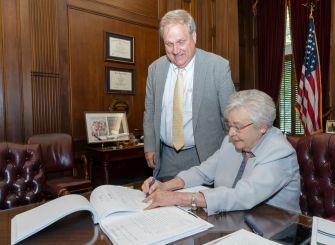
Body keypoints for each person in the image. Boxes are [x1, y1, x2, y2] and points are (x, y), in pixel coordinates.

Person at [142, 89, 301, 215]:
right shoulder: (232, 141)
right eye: (229, 125)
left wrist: (178, 198)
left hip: (275, 229)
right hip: (232, 218)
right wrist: (165, 186)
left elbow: (243, 196)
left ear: (263, 126)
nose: (231, 133)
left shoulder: (280, 152)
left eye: (237, 127)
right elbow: (202, 172)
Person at [143, 9, 235, 178]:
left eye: (181, 42)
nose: (176, 50)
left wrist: (227, 156)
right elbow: (150, 112)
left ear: (194, 37)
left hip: (205, 156)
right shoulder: (155, 69)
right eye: (169, 44)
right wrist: (150, 146)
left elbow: (231, 118)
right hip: (166, 158)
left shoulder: (218, 67)